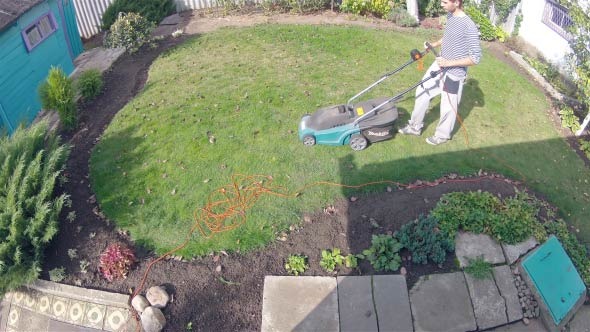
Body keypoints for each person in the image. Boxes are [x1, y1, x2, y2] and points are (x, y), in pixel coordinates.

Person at [398, 0, 482, 145]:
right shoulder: (450, 16)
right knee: (422, 91)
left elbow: (476, 58)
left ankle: (442, 136)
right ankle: (414, 127)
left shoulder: (469, 26)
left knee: (448, 107)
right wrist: (434, 45)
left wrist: (450, 63)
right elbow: (449, 37)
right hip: (439, 66)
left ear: (456, 3)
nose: (441, 4)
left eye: (444, 2)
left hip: (454, 73)